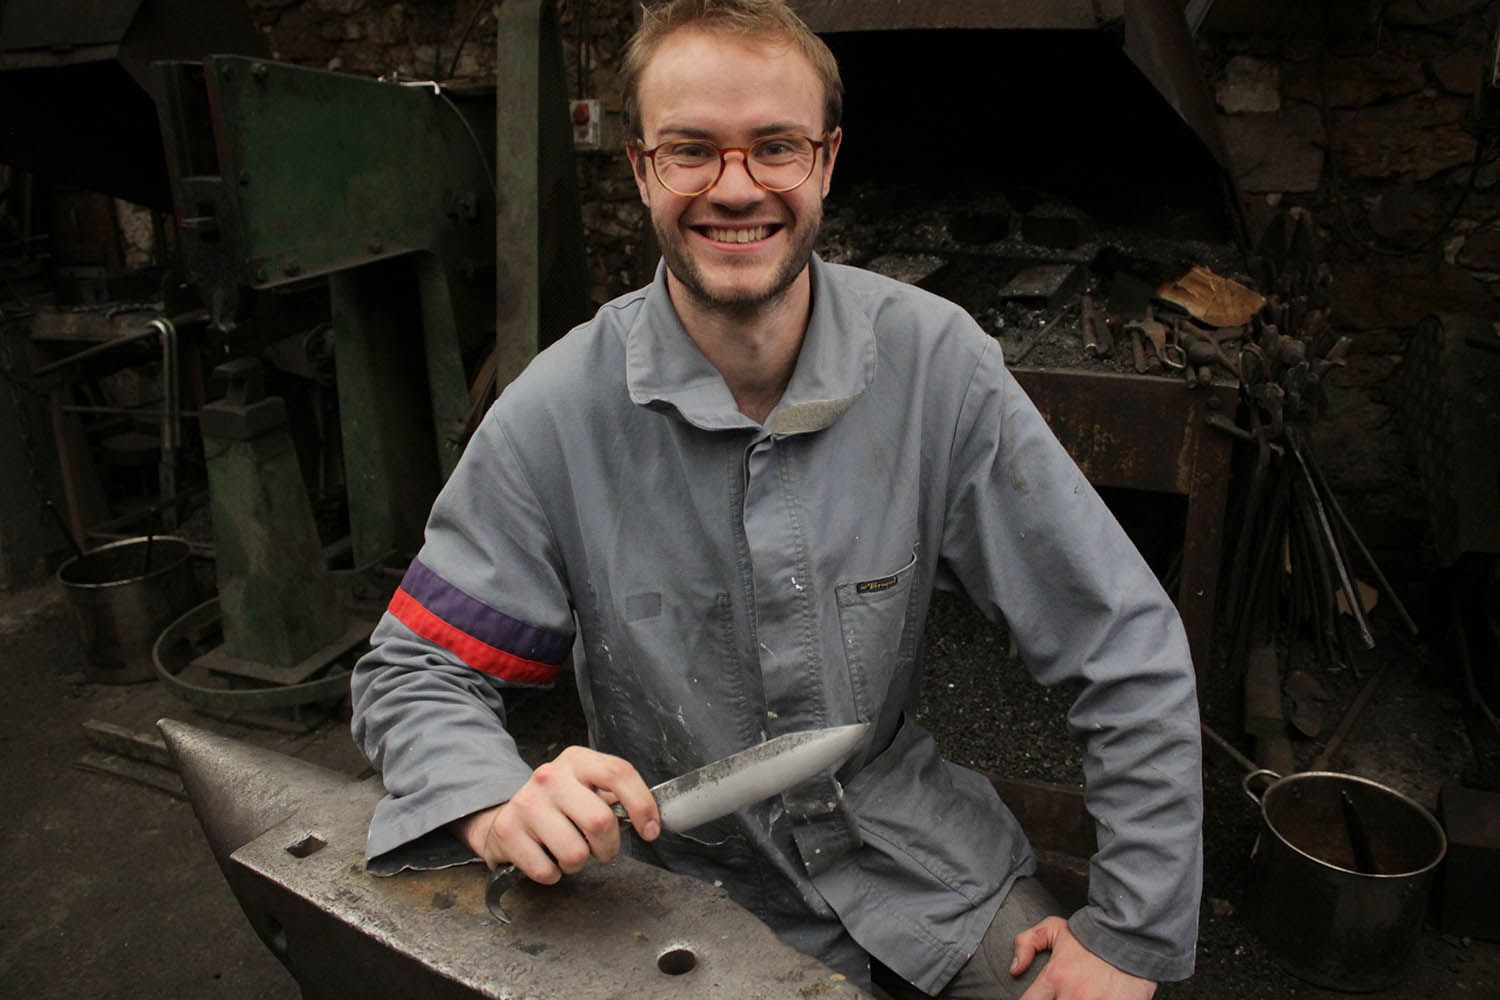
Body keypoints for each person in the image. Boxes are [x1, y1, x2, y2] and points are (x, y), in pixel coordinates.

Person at [350, 2, 1203, 997]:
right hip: (671, 887)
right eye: (690, 150)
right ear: (641, 171)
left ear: (827, 162)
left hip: (917, 862)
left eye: (775, 147)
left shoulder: (936, 366)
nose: (735, 187)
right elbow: (414, 670)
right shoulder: (555, 413)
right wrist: (494, 801)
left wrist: (1130, 928)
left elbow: (1122, 641)